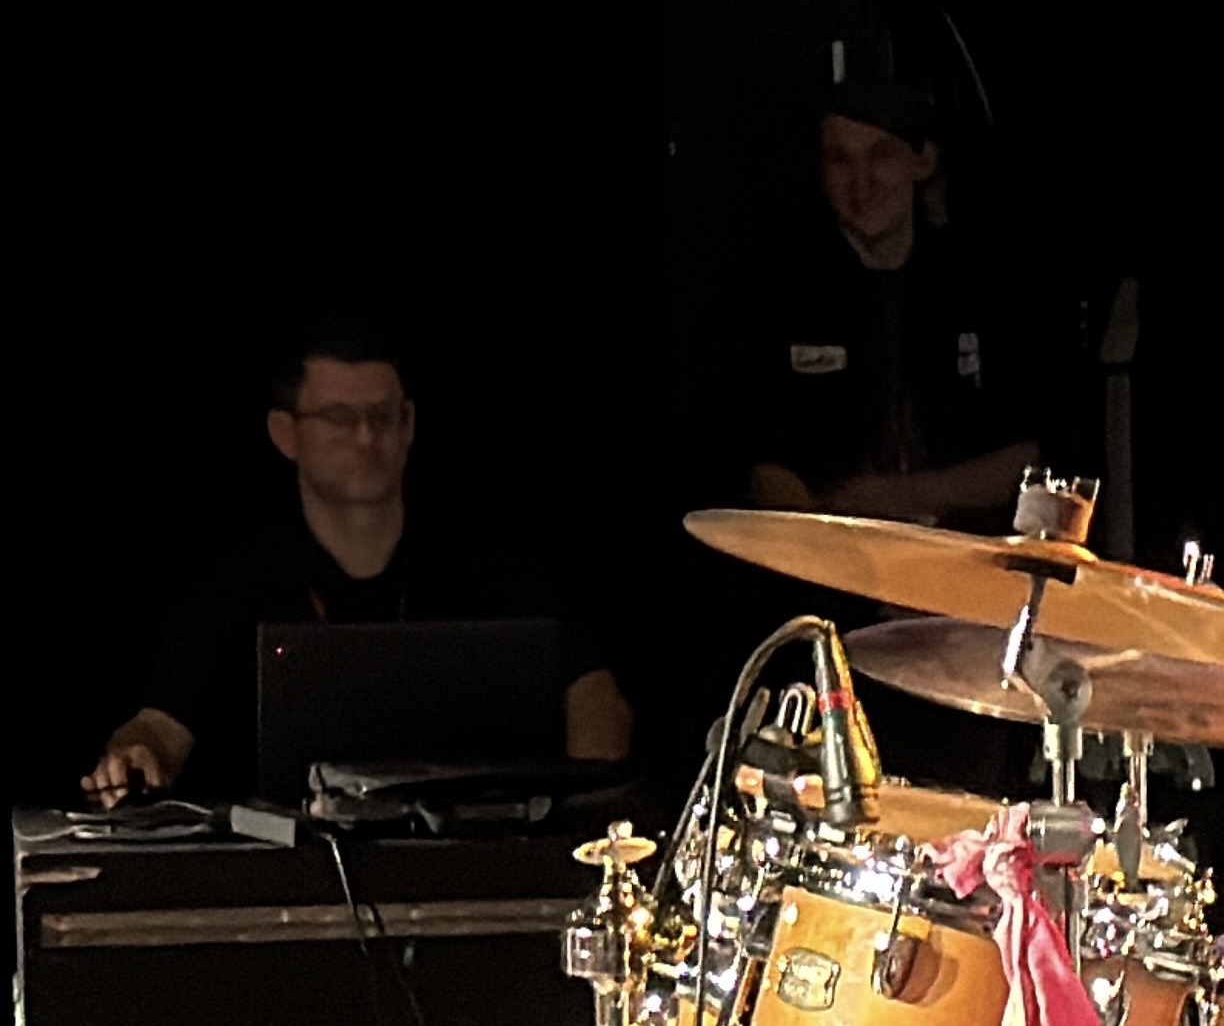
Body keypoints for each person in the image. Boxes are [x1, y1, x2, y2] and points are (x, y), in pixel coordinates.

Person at [82, 329, 633, 802]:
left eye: (384, 415)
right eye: (340, 418)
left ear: (410, 422)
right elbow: (161, 728)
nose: (368, 437)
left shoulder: (488, 562)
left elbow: (592, 693)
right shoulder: (233, 586)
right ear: (285, 433)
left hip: (473, 865)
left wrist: (584, 816)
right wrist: (135, 757)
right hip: (293, 885)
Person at [743, 81, 1045, 525]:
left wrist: (908, 496)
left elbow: (1031, 454)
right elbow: (758, 455)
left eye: (881, 155)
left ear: (923, 161)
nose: (860, 183)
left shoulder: (980, 285)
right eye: (839, 159)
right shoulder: (782, 294)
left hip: (964, 561)